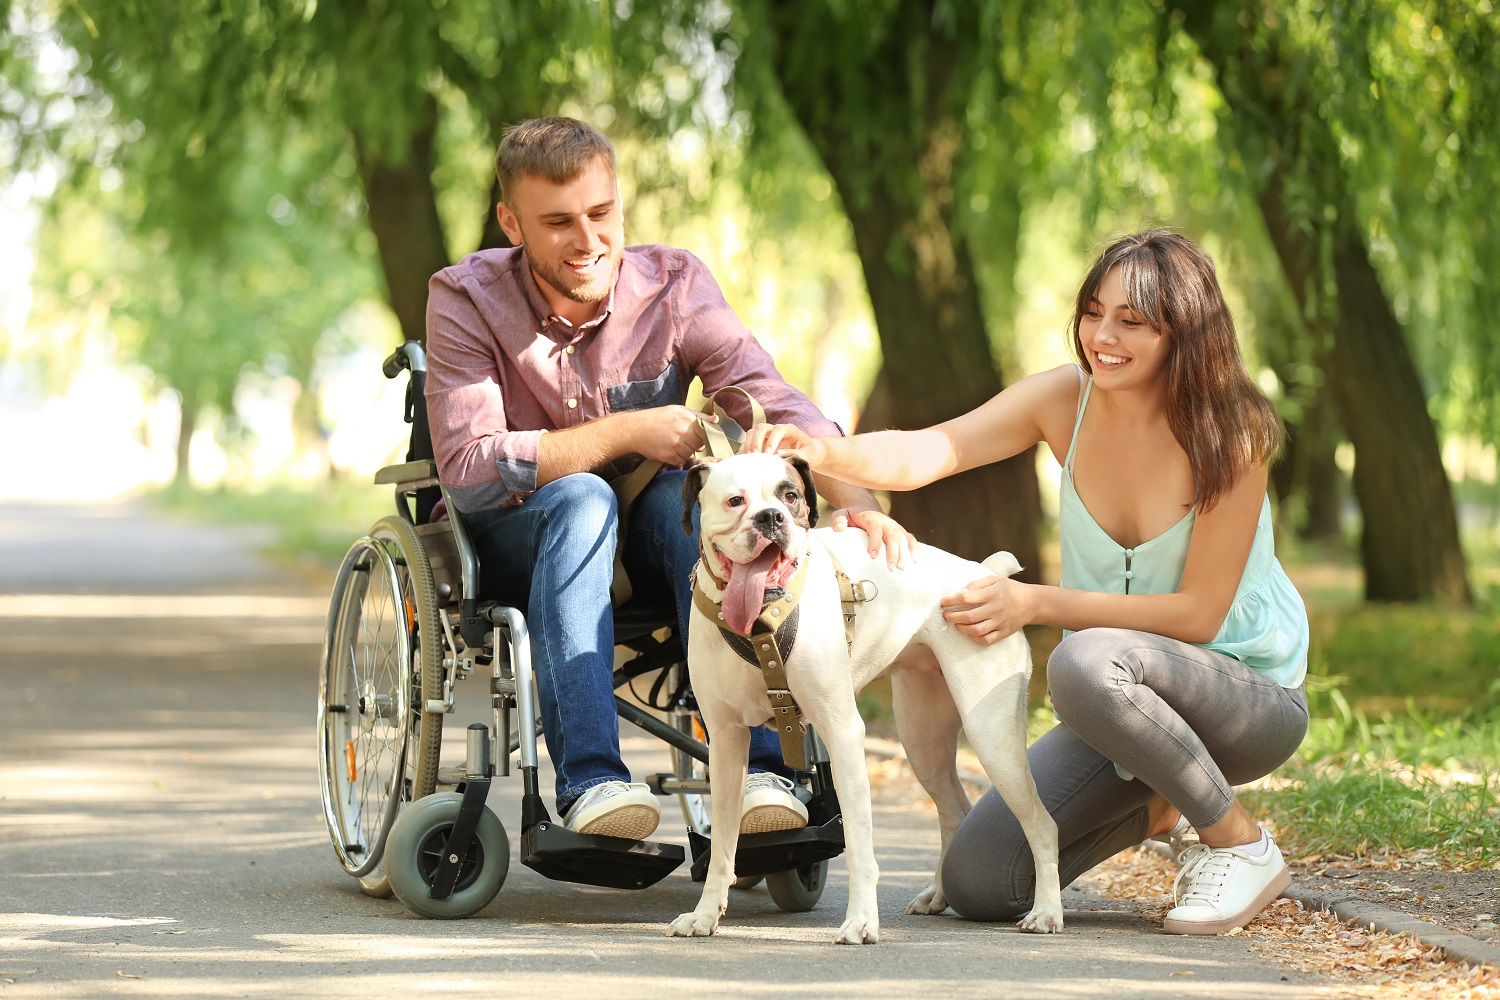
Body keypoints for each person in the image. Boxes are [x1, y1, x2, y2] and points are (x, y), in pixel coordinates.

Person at [745, 229, 1309, 935]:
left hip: (1245, 698)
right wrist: (824, 450)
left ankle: (1239, 843)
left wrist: (1034, 603)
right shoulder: (1065, 400)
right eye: (1093, 311)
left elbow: (1198, 615)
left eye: (1132, 322)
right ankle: (1165, 801)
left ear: (1186, 333)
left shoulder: (1233, 429)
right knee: (980, 881)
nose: (1102, 336)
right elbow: (933, 450)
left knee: (1083, 659)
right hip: (1121, 704)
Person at [423, 117, 909, 843]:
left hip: (649, 541)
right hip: (513, 536)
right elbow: (468, 471)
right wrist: (623, 431)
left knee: (712, 502)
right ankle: (592, 782)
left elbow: (767, 398)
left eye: (600, 213)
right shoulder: (463, 297)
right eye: (557, 222)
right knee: (584, 496)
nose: (587, 240)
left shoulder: (674, 285)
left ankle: (763, 776)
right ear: (510, 221)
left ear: (619, 200)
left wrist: (860, 504)